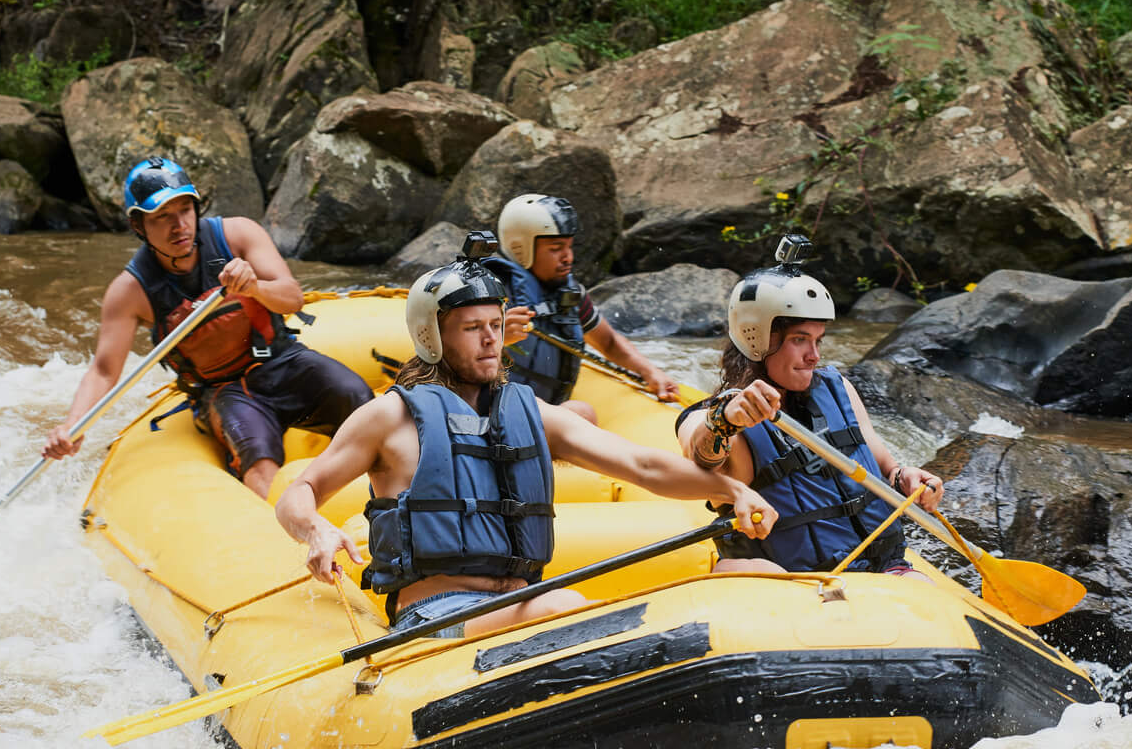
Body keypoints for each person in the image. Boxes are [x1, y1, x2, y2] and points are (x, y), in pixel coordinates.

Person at [276, 234, 777, 640]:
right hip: (434, 617)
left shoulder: (529, 411)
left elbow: (641, 465)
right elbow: (299, 494)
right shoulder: (388, 417)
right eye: (473, 327)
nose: (492, 338)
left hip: (519, 603)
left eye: (495, 324)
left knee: (735, 579)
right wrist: (316, 530)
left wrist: (730, 489)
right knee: (565, 604)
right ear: (432, 335)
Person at [43, 157, 374, 496]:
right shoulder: (129, 292)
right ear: (139, 226)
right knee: (258, 459)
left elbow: (292, 298)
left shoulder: (239, 234)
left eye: (185, 210)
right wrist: (72, 425)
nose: (179, 226)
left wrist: (254, 287)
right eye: (162, 217)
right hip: (223, 390)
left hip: (283, 361)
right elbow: (103, 371)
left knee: (356, 395)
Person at [674, 237, 946, 576]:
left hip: (883, 569)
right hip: (799, 585)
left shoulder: (837, 388)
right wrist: (723, 421)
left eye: (818, 340)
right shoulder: (720, 417)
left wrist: (905, 477)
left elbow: (885, 466)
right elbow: (701, 454)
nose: (814, 355)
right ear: (756, 337)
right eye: (799, 340)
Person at [484, 193, 678, 420]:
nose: (568, 257)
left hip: (550, 410)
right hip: (500, 412)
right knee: (582, 412)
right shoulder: (489, 294)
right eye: (556, 248)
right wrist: (498, 339)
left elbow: (609, 342)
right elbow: (449, 359)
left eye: (569, 247)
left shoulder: (568, 294)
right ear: (521, 248)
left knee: (578, 411)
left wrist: (650, 372)